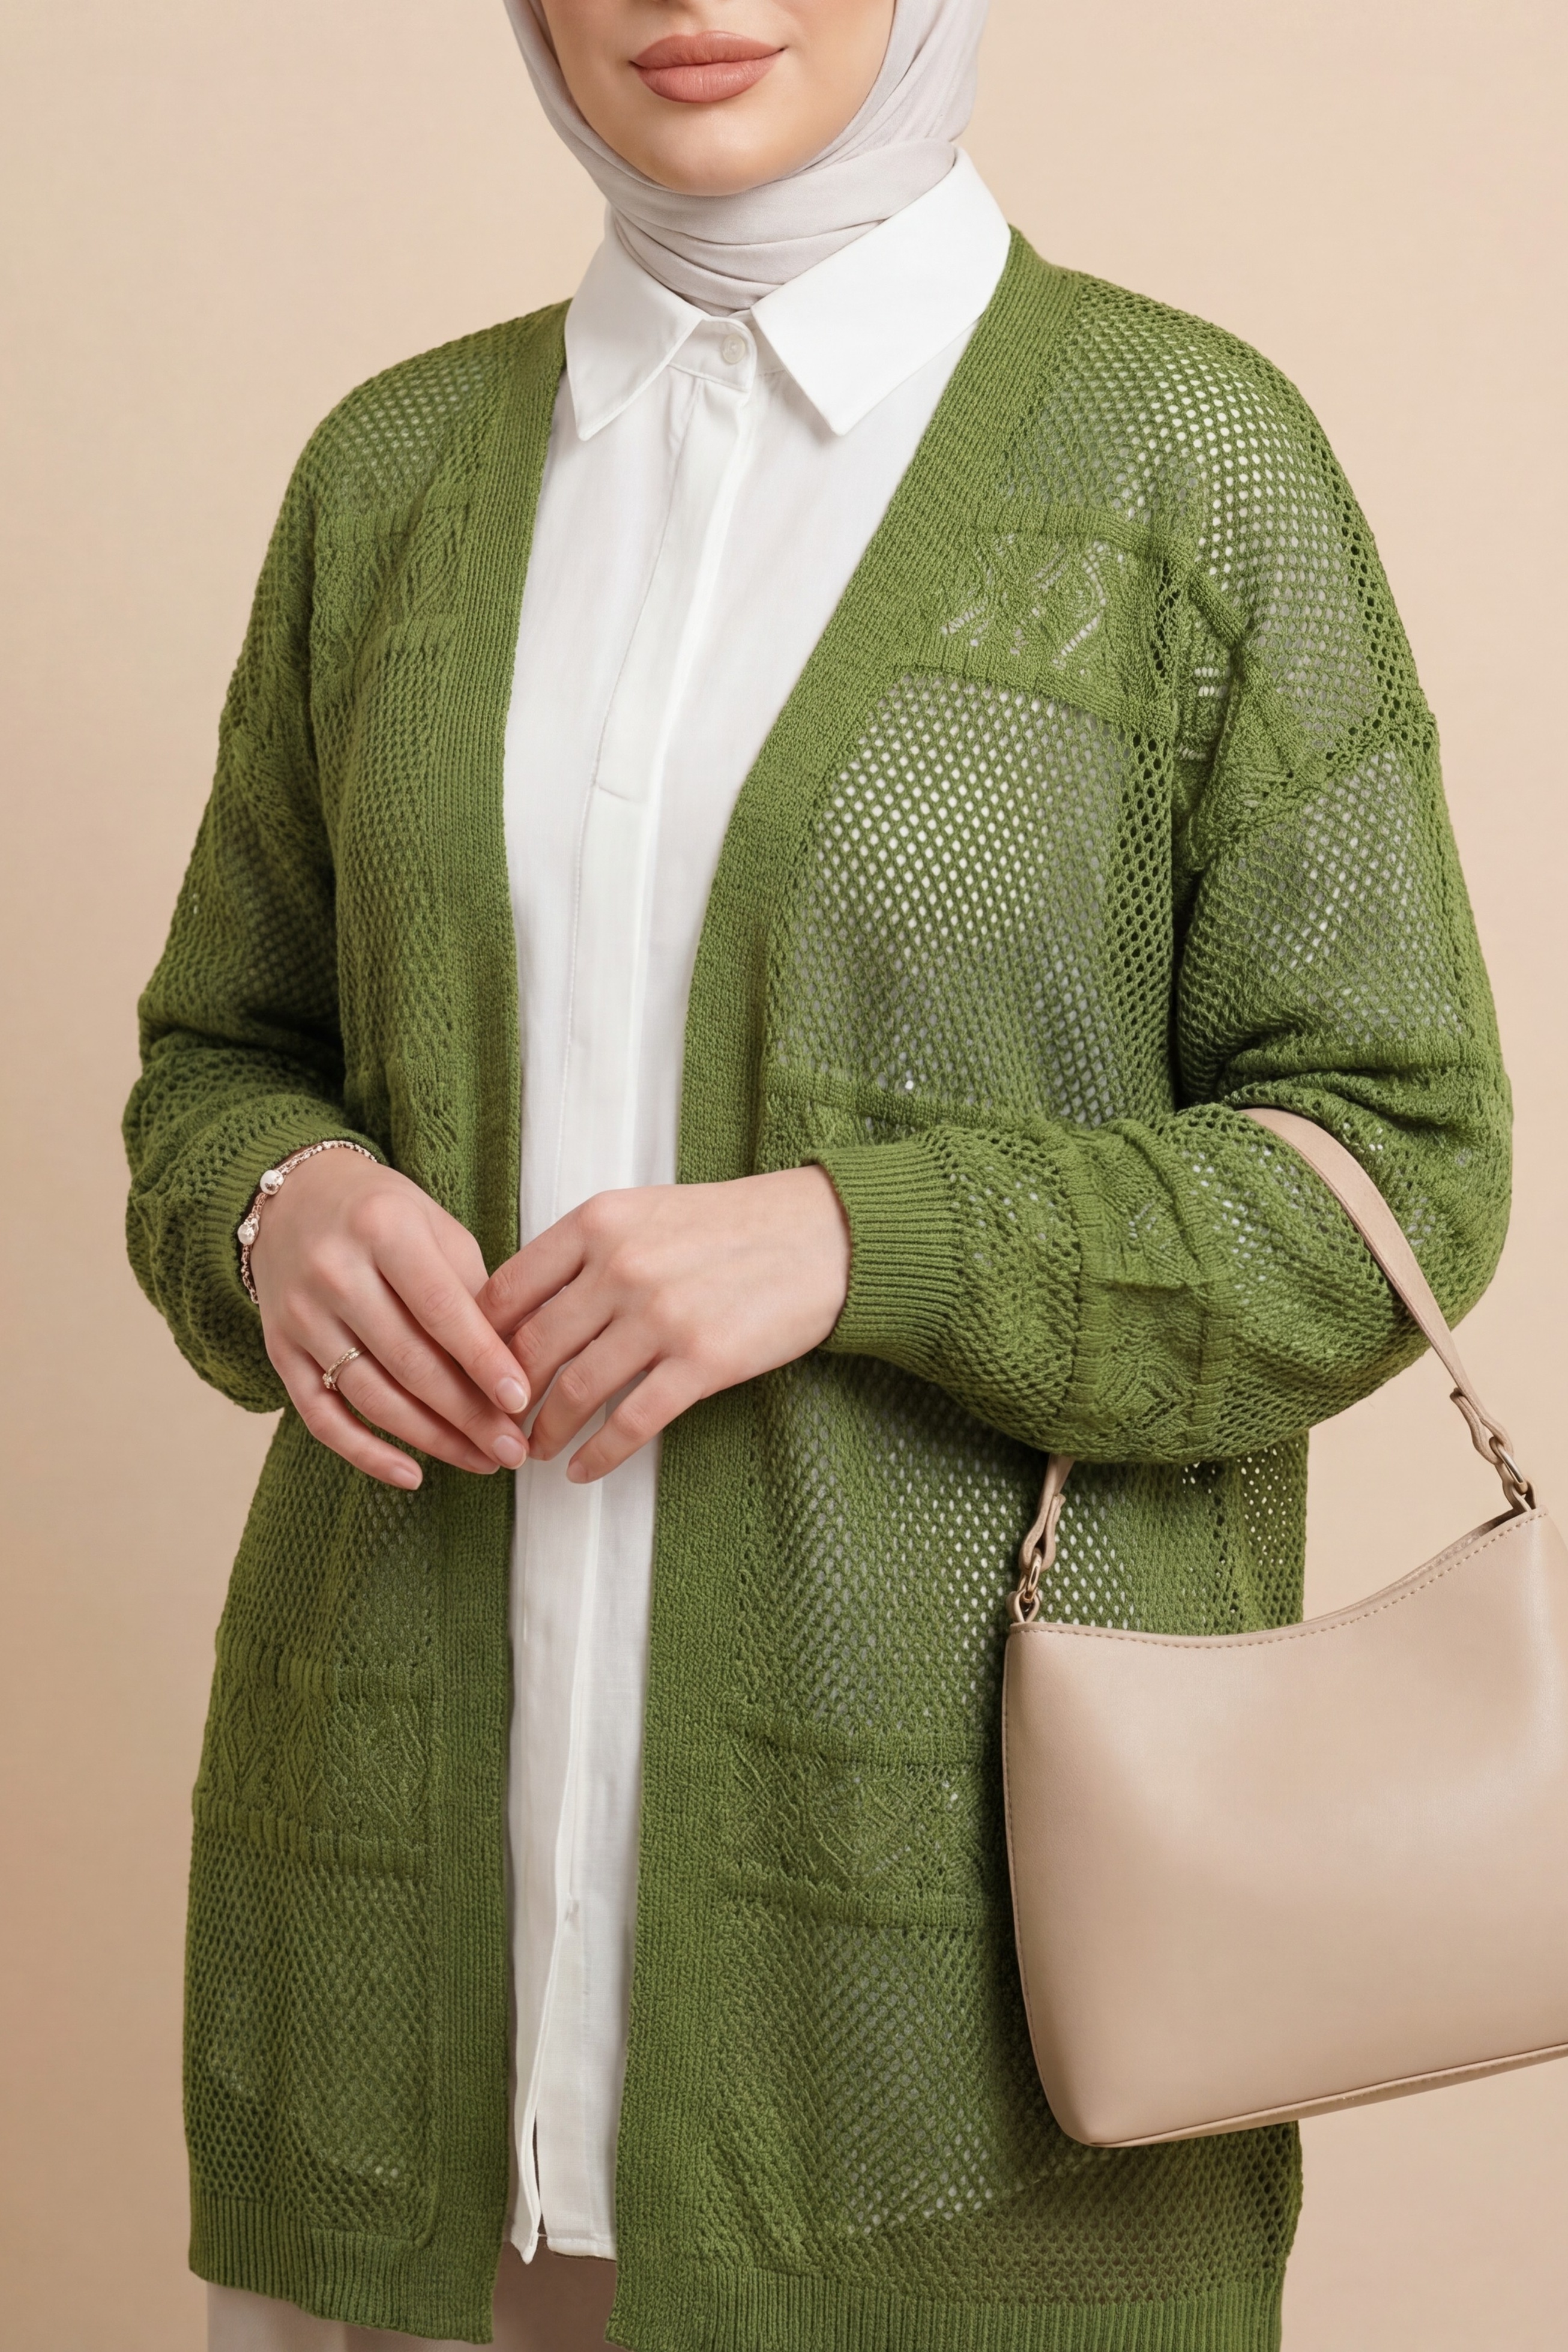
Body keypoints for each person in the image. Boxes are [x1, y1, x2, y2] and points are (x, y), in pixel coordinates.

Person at [124, 1, 1512, 2347]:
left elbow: (1399, 1169)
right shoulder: (390, 474)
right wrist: (282, 1206)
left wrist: (863, 1236)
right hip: (409, 1979)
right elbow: (215, 1063)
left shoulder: (1185, 461)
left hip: (946, 2063)